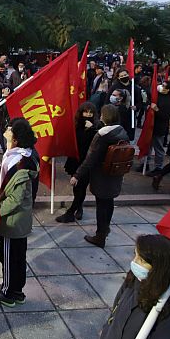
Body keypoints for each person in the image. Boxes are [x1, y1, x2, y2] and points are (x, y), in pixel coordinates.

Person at [0, 118, 39, 307]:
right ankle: (16, 289)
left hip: (12, 221)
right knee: (17, 256)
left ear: (16, 140)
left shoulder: (20, 164)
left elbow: (15, 199)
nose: (6, 132)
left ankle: (8, 293)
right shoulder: (23, 155)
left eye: (9, 131)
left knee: (8, 256)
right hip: (19, 219)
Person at [71, 104, 130, 248]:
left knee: (101, 205)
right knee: (108, 203)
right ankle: (105, 229)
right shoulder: (121, 131)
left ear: (104, 117)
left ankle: (100, 235)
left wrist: (77, 175)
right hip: (115, 174)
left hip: (102, 175)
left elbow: (90, 158)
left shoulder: (102, 136)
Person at [57, 102, 101, 223]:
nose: (88, 114)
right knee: (77, 187)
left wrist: (92, 129)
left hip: (87, 162)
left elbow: (97, 141)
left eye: (90, 112)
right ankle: (79, 206)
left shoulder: (96, 126)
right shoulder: (77, 125)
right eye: (86, 112)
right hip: (75, 160)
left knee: (82, 187)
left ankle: (72, 211)